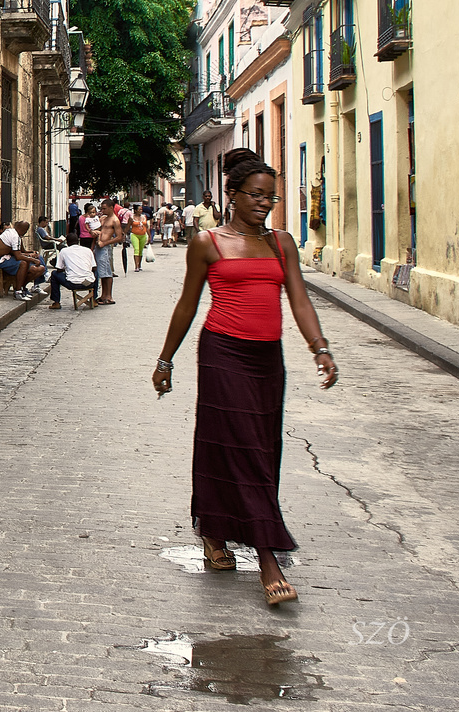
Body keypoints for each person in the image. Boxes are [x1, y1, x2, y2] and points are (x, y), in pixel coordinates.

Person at [154, 148, 338, 607]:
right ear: (232, 196)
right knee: (235, 445)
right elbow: (187, 305)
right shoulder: (207, 243)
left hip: (267, 360)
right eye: (255, 195)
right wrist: (165, 360)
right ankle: (267, 558)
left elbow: (299, 301)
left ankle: (215, 532)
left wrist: (321, 348)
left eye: (271, 198)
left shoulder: (282, 244)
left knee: (259, 446)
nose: (264, 204)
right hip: (223, 354)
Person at [0, 220, 44, 299]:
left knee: (39, 269)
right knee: (23, 263)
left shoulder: (14, 234)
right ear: (24, 230)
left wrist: (30, 255)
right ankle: (18, 291)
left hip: (6, 258)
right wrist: (33, 260)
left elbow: (19, 252)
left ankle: (22, 287)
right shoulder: (14, 236)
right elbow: (18, 256)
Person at [45, 240, 96, 310]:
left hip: (73, 283)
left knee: (54, 274)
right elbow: (94, 267)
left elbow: (59, 269)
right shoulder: (88, 250)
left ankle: (56, 302)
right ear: (78, 241)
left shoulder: (64, 251)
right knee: (96, 273)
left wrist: (67, 268)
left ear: (68, 243)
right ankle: (94, 299)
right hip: (89, 283)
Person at [93, 199, 123, 304]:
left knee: (107, 272)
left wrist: (105, 243)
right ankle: (103, 295)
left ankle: (109, 296)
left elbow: (119, 237)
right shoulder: (103, 218)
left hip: (105, 247)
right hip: (98, 247)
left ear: (111, 208)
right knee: (102, 272)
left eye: (104, 208)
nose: (102, 210)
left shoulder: (115, 220)